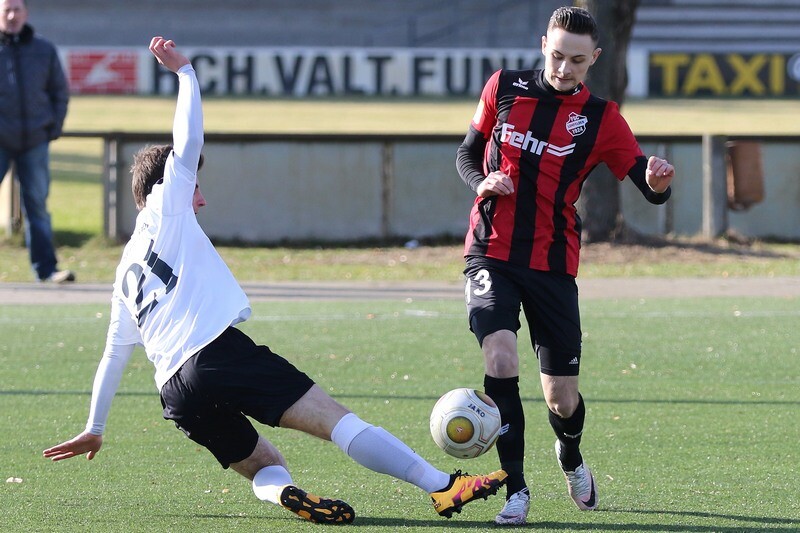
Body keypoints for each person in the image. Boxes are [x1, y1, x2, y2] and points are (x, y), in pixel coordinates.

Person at [43, 37, 506, 525]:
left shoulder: (124, 270)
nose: (200, 198)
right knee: (337, 421)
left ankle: (285, 493)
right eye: (195, 186)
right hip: (215, 353)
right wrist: (185, 74)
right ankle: (442, 487)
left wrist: (95, 426)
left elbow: (114, 353)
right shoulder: (166, 206)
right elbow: (188, 141)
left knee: (265, 463)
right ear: (168, 185)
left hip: (174, 393)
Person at [456, 6, 674, 526]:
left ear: (594, 58)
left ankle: (570, 455)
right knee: (500, 358)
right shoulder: (503, 88)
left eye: (577, 60)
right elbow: (467, 153)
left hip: (553, 263)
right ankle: (515, 488)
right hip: (490, 251)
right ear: (543, 46)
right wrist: (482, 182)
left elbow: (643, 180)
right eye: (557, 56)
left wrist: (657, 183)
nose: (563, 68)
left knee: (561, 398)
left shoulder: (601, 117)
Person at [0, 0, 73, 283]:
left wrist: (52, 128)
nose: (12, 15)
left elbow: (59, 92)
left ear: (26, 13)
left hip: (34, 141)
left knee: (37, 207)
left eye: (16, 9)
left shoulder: (44, 49)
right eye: (6, 10)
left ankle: (47, 270)